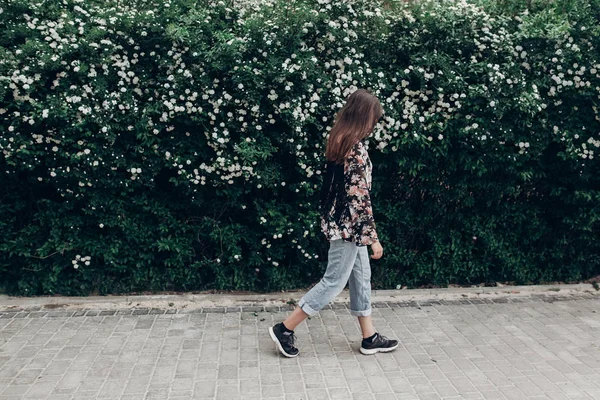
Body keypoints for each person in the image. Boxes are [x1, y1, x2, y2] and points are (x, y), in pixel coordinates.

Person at [269, 89, 399, 357]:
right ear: (365, 117)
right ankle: (285, 328)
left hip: (343, 223)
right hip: (349, 226)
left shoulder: (341, 140)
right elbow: (358, 197)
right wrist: (372, 237)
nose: (375, 124)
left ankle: (369, 337)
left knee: (362, 278)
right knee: (333, 281)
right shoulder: (355, 149)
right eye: (374, 118)